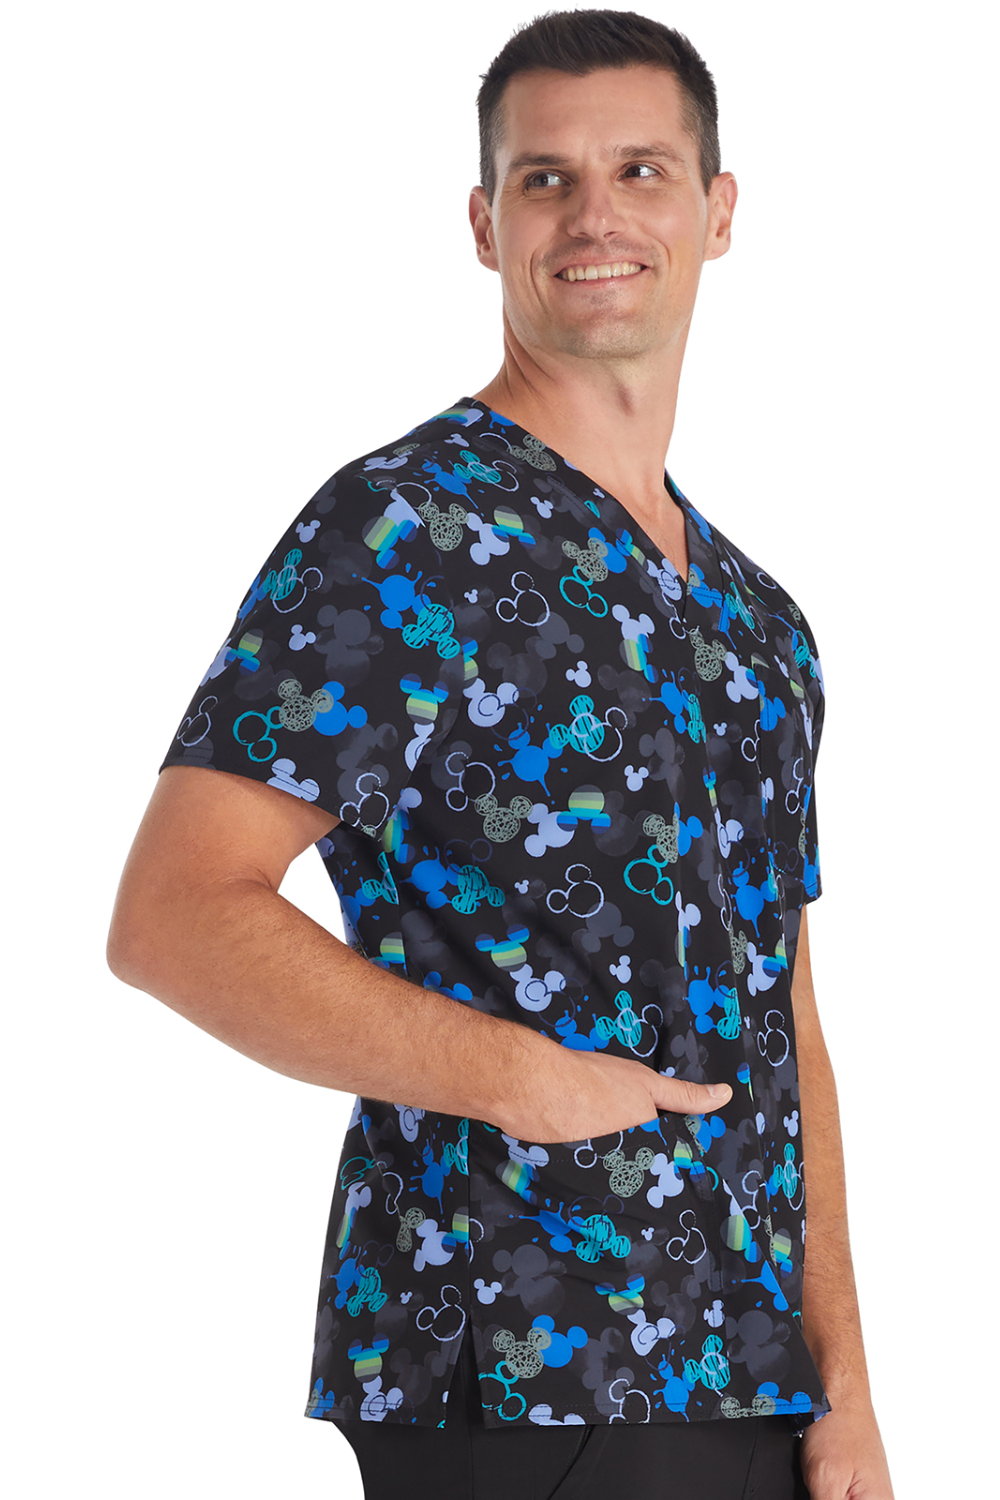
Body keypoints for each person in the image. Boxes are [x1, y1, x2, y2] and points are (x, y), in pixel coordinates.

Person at [107, 10, 894, 1499]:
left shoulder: (760, 620)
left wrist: (844, 1386)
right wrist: (515, 1078)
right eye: (547, 180)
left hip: (751, 1373)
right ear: (486, 225)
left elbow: (784, 1006)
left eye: (642, 170)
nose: (596, 215)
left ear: (719, 211)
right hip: (518, 1359)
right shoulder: (405, 529)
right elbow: (173, 914)